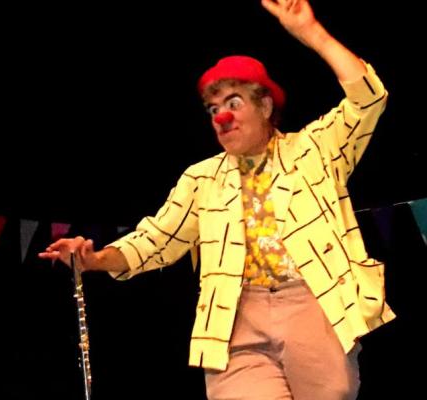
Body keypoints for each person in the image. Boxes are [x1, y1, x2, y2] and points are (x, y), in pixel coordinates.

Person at [39, 0, 394, 398]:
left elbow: (368, 98)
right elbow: (154, 241)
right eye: (213, 109)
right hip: (236, 319)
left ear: (265, 105)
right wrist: (93, 260)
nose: (222, 117)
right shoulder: (202, 179)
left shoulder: (315, 149)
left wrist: (313, 34)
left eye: (234, 103)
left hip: (313, 306)